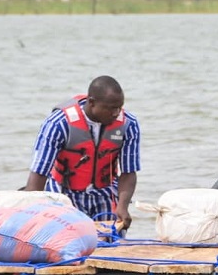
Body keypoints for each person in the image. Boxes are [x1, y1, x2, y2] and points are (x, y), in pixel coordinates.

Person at [23, 75, 141, 231]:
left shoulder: (128, 125)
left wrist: (123, 206)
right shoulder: (58, 123)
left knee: (110, 241)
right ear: (91, 102)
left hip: (105, 193)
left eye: (119, 107)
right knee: (66, 240)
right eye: (111, 108)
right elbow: (39, 173)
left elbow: (128, 172)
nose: (116, 113)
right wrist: (33, 213)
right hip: (64, 194)